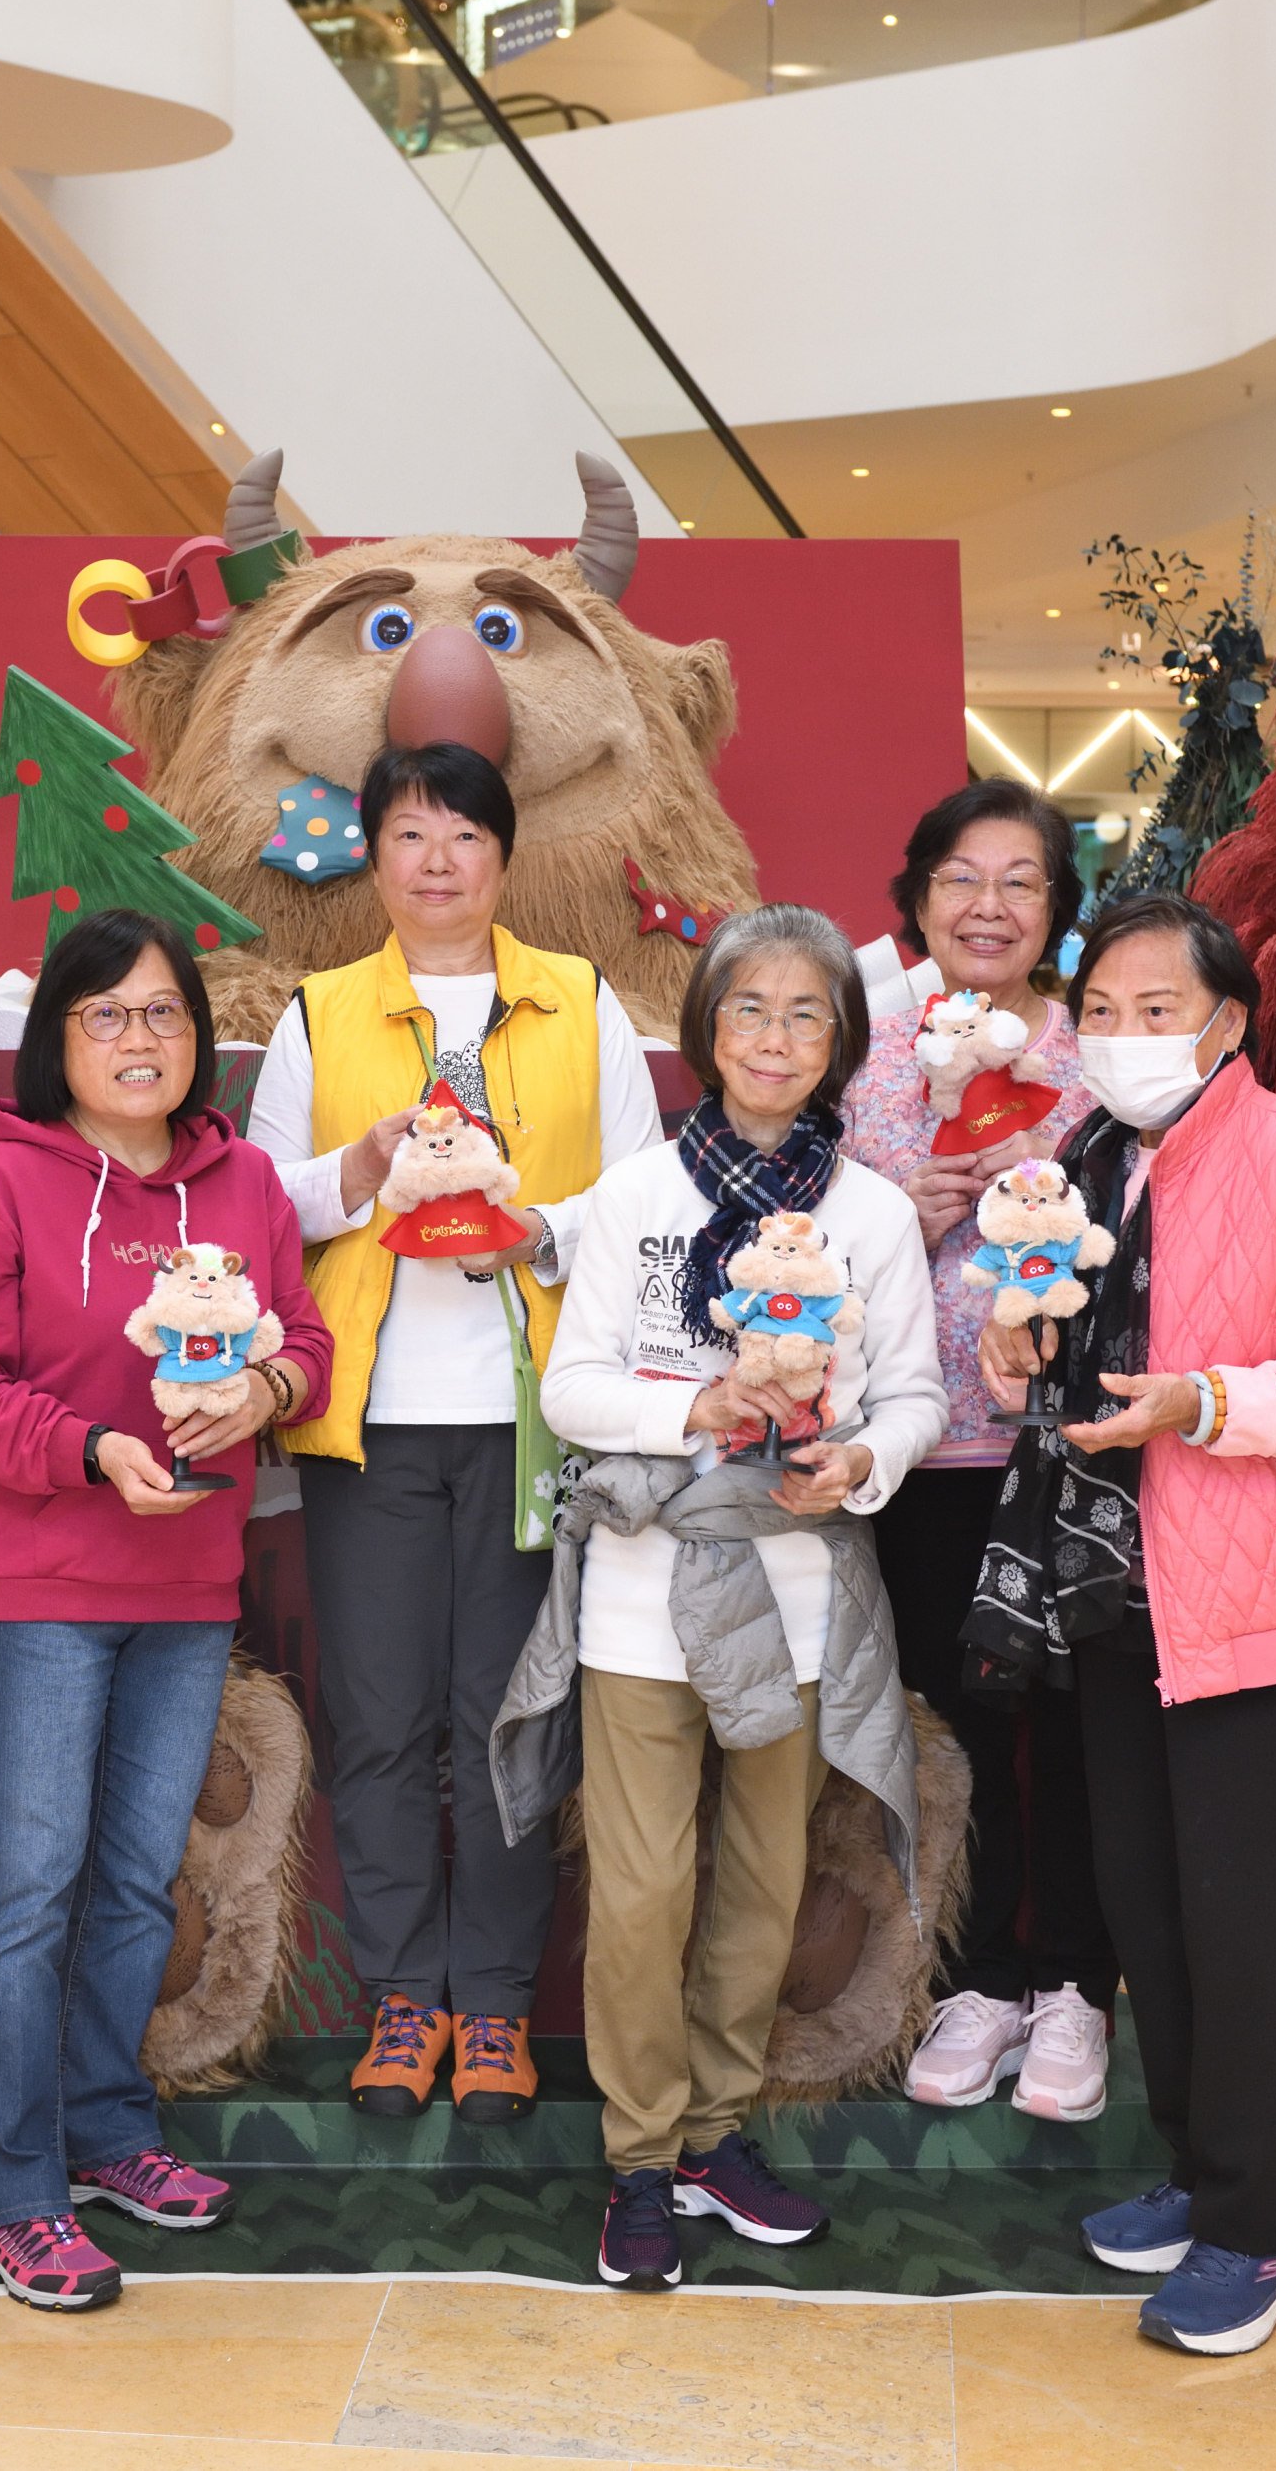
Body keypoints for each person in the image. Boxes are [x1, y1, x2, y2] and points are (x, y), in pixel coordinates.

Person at [970, 894, 1276, 2357]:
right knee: (1149, 1907)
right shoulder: (1082, 1161)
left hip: (1265, 1607)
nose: (1120, 1036)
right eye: (1097, 1007)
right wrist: (1006, 1345)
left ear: (1228, 1023)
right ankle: (1202, 2169)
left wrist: (1204, 1402)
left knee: (1245, 1925)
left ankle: (1262, 2231)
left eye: (1156, 1009)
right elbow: (1044, 1349)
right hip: (1115, 1597)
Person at [493, 903, 944, 2291]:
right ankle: (635, 2160)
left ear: (839, 1043)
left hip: (799, 1592)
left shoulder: (865, 1212)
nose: (773, 1037)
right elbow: (569, 1390)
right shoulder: (635, 1195)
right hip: (640, 1593)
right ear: (704, 1030)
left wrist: (859, 1458)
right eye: (747, 1008)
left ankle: (709, 2131)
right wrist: (699, 1400)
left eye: (804, 1012)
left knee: (763, 1886)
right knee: (638, 1891)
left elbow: (917, 1393)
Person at [0, 909, 331, 2312]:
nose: (136, 1039)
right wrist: (89, 1452)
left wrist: (265, 1390)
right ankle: (9, 2189)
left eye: (159, 1013)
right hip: (38, 1587)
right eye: (105, 1015)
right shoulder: (1, 1186)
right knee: (29, 1884)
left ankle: (102, 2127)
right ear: (58, 1041)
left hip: (186, 1586)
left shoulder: (248, 1184)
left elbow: (306, 1343)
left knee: (143, 1876)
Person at [250, 741, 662, 2126]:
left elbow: (637, 1194)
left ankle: (490, 2007)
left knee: (506, 1724)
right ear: (372, 857)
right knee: (375, 1723)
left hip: (528, 1426)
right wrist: (361, 1171)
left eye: (463, 836)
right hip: (364, 1428)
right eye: (409, 836)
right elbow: (263, 1206)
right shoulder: (317, 1014)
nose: (436, 861)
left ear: (502, 857)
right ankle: (400, 1999)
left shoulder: (581, 1001)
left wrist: (530, 1224)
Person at [837, 777, 1121, 2119]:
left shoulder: (1101, 1054)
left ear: (1055, 913)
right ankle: (977, 1978)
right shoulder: (869, 1054)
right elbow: (798, 1264)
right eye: (960, 875)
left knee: (1071, 1728)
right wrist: (894, 1208)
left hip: (1071, 1456)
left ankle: (1073, 1987)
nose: (987, 903)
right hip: (927, 1456)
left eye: (1019, 879)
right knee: (955, 1723)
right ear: (915, 899)